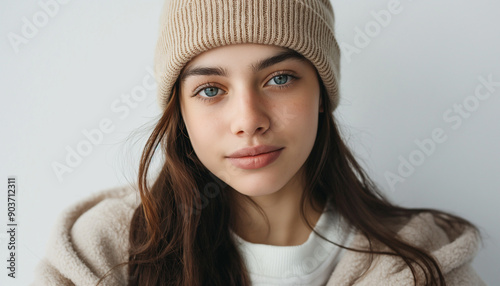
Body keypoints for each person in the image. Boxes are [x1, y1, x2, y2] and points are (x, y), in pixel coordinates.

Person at [32, 0, 485, 285]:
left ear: (322, 95)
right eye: (210, 89)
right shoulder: (101, 254)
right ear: (181, 113)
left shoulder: (426, 266)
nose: (248, 121)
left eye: (280, 78)